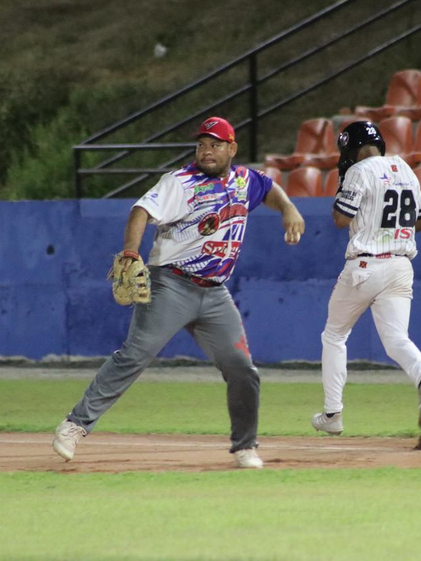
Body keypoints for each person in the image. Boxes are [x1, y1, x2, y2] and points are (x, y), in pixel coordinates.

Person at [53, 116, 305, 469]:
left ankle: (245, 446)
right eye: (201, 144)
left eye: (215, 144)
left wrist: (289, 208)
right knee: (135, 354)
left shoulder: (245, 180)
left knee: (242, 368)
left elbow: (269, 187)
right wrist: (130, 251)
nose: (206, 151)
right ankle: (74, 425)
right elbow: (141, 209)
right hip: (171, 283)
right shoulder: (181, 182)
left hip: (214, 293)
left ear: (232, 148)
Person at [311, 121, 421, 436]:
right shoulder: (404, 168)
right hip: (400, 265)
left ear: (351, 147)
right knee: (397, 340)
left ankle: (333, 414)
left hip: (365, 265)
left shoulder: (358, 171)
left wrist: (346, 191)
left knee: (334, 336)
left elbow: (341, 219)